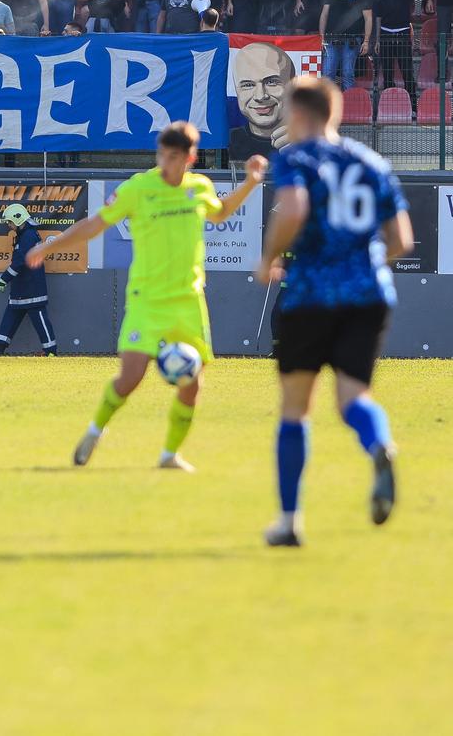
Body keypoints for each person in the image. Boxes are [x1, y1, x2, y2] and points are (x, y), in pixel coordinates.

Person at [28, 122, 266, 472]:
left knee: (192, 385)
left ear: (190, 158)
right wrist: (51, 245)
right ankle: (96, 431)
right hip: (147, 299)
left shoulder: (199, 187)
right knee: (131, 377)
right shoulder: (139, 188)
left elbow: (221, 213)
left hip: (187, 300)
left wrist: (250, 183)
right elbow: (95, 225)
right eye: (162, 156)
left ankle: (170, 455)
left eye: (173, 157)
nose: (166, 164)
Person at [256, 76, 414, 547]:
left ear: (299, 114)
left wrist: (269, 259)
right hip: (369, 295)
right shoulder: (372, 162)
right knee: (353, 401)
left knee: (296, 409)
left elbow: (294, 209)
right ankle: (379, 446)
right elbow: (402, 241)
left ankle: (289, 521)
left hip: (311, 296)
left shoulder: (296, 159)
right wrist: (361, 267)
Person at [0, 205, 57, 356]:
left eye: (9, 222)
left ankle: (50, 351)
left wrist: (4, 279)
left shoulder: (28, 236)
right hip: (21, 287)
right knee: (11, 314)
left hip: (32, 286)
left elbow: (20, 261)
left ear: (18, 218)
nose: (8, 225)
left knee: (40, 318)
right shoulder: (23, 235)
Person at [230, 41, 294, 160]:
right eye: (248, 85)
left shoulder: (313, 143)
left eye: (271, 82)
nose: (260, 96)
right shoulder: (225, 144)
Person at [319, 0, 371, 91]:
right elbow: (324, 15)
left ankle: (350, 106)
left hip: (352, 40)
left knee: (348, 73)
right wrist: (321, 37)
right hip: (331, 39)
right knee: (327, 73)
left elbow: (368, 18)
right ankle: (327, 106)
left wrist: (366, 41)